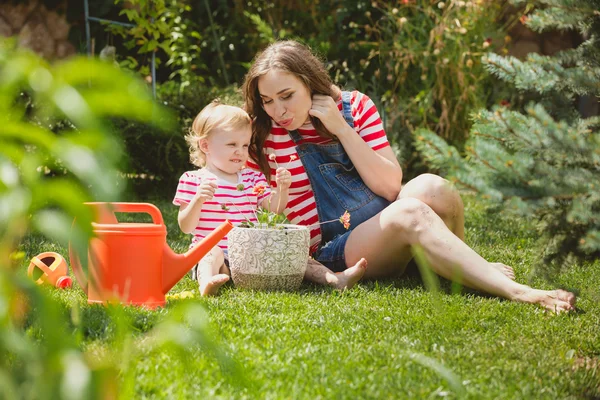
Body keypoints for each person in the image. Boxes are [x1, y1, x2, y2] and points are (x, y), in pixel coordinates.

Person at [241, 40, 576, 312]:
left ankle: (460, 267)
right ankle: (520, 292)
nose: (278, 111)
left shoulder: (354, 107)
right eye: (267, 100)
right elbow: (252, 210)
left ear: (311, 84)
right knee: (409, 211)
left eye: (287, 96)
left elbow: (389, 186)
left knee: (434, 186)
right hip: (336, 249)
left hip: (383, 216)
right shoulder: (262, 137)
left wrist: (341, 129)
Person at [173, 100, 366, 296]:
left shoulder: (251, 177)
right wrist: (198, 200)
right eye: (232, 144)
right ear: (205, 145)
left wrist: (283, 189)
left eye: (245, 145)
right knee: (210, 252)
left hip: (250, 253)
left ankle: (335, 279)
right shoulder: (193, 180)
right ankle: (207, 283)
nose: (240, 151)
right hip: (215, 258)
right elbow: (186, 226)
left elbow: (275, 209)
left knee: (294, 254)